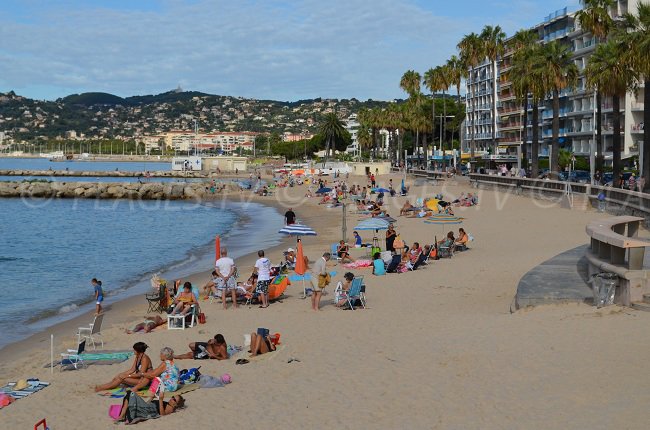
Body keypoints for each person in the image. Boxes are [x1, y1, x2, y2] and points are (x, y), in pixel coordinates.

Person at [114, 390, 185, 424]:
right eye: (173, 397)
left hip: (150, 410)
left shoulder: (171, 408)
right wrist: (152, 398)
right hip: (147, 407)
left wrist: (160, 400)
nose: (172, 398)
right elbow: (146, 404)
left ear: (175, 404)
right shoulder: (167, 403)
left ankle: (129, 417)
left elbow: (162, 414)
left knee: (131, 394)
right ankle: (122, 415)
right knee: (128, 393)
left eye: (174, 399)